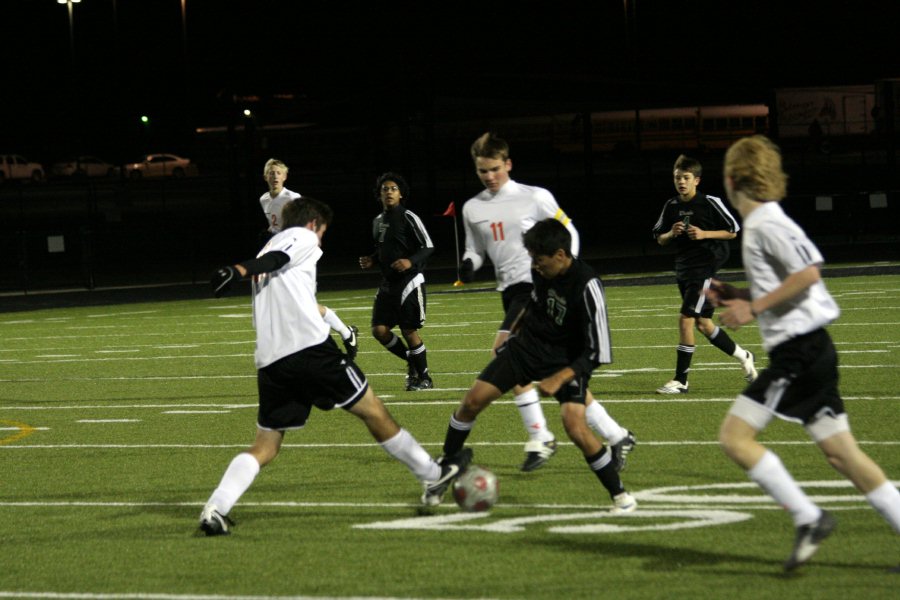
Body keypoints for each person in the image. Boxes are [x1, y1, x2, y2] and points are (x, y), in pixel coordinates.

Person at [200, 198, 471, 535]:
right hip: (311, 351)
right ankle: (433, 476)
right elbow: (279, 258)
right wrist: (237, 270)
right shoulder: (299, 237)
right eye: (323, 232)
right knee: (374, 411)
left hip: (271, 361)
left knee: (266, 445)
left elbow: (284, 277)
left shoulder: (269, 244)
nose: (322, 241)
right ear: (313, 223)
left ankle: (216, 507)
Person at [707, 135, 900, 572]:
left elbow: (808, 273)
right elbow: (790, 279)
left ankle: (809, 517)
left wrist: (751, 307)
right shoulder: (768, 220)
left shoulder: (764, 224)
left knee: (734, 438)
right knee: (842, 455)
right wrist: (738, 292)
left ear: (732, 178)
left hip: (800, 354)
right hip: (813, 349)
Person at [424, 218, 636, 512]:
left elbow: (598, 351)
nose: (535, 266)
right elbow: (534, 303)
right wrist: (510, 333)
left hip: (567, 359)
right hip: (527, 349)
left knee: (575, 426)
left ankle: (621, 496)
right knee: (471, 402)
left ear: (560, 255)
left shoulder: (587, 285)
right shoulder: (542, 272)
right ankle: (445, 468)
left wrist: (559, 378)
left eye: (540, 260)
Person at [459, 132, 635, 472]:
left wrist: (569, 276)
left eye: (494, 169)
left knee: (509, 353)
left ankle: (540, 436)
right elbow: (475, 250)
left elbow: (570, 231)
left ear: (508, 163)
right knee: (546, 366)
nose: (489, 176)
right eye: (482, 171)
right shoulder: (472, 207)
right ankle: (616, 435)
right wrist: (469, 264)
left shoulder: (535, 196)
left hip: (537, 289)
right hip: (510, 292)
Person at [651, 153, 757, 394]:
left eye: (686, 177)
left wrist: (704, 234)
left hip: (704, 270)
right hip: (684, 270)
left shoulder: (709, 202)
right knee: (704, 324)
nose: (681, 182)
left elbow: (733, 230)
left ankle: (681, 380)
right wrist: (671, 233)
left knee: (685, 319)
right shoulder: (671, 205)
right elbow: (659, 238)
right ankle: (744, 356)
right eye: (677, 177)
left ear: (696, 180)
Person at [259, 158, 358, 358]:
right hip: (282, 253)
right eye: (271, 172)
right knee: (295, 302)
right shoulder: (264, 199)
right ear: (265, 176)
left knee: (297, 301)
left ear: (285, 176)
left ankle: (336, 337)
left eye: (278, 173)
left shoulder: (293, 197)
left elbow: (310, 220)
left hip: (299, 253)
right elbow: (275, 224)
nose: (275, 176)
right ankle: (347, 333)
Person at [358, 172, 435, 391]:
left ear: (401, 194)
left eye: (393, 189)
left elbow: (428, 246)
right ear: (379, 195)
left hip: (409, 282)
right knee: (379, 330)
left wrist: (410, 262)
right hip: (388, 283)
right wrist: (372, 259)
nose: (389, 192)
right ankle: (411, 361)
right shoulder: (377, 221)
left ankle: (425, 378)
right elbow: (382, 248)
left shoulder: (409, 216)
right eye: (385, 189)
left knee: (409, 330)